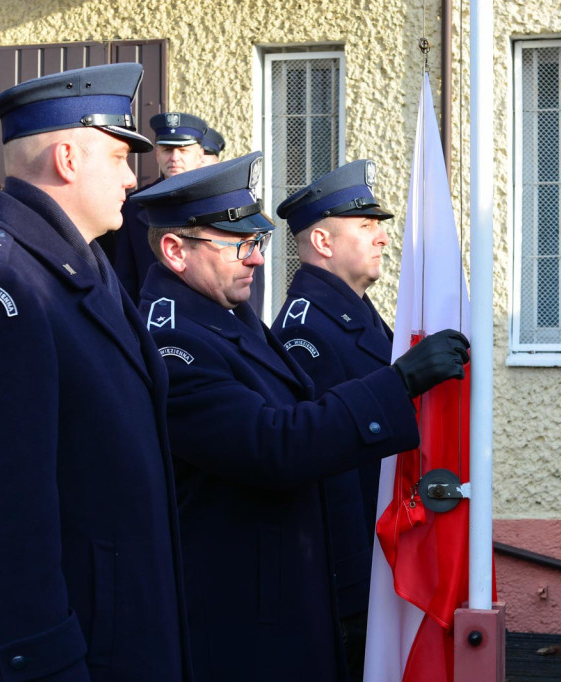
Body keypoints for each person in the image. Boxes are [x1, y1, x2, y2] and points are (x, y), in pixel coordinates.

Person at [134, 152, 469, 682]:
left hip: (284, 581)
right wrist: (399, 383)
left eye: (258, 243)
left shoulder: (224, 318)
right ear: (176, 250)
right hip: (241, 598)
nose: (257, 260)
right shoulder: (174, 341)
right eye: (241, 245)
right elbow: (275, 445)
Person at [0, 64, 191, 681]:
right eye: (119, 157)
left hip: (116, 632)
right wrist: (44, 665)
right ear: (67, 157)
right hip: (69, 653)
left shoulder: (79, 266)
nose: (131, 175)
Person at [270, 159, 395, 681]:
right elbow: (325, 458)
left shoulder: (358, 313)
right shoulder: (307, 329)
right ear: (322, 243)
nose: (381, 239)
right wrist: (354, 581)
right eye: (366, 227)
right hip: (351, 565)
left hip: (380, 548)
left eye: (379, 227)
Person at [114, 112, 208, 303]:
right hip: (151, 317)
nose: (174, 158)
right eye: (167, 150)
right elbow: (124, 276)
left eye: (183, 150)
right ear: (157, 154)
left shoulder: (218, 202)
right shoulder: (134, 206)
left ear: (200, 156)